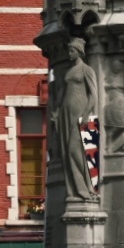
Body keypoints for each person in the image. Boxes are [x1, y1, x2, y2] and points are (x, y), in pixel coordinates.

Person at [51, 38, 101, 206]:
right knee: (67, 152)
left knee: (75, 150)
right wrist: (56, 111)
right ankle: (74, 190)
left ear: (79, 51)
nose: (69, 53)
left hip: (79, 112)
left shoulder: (86, 70)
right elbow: (61, 93)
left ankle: (87, 189)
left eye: (72, 50)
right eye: (69, 50)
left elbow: (93, 95)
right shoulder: (69, 70)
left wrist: (86, 115)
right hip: (66, 114)